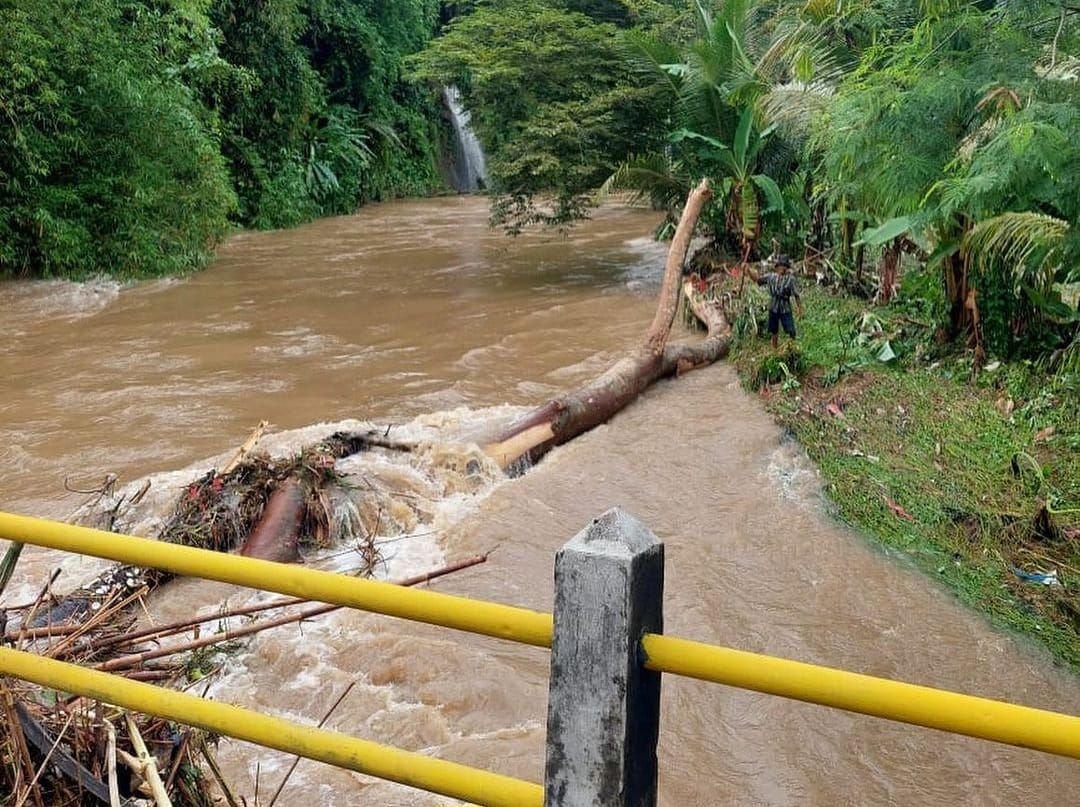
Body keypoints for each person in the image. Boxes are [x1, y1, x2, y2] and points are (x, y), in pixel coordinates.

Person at [745, 254, 803, 349]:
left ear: (787, 267)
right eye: (781, 265)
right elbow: (758, 280)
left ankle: (792, 348)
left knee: (790, 330)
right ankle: (774, 350)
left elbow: (797, 295)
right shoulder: (771, 277)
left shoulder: (791, 279)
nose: (782, 268)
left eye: (784, 266)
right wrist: (748, 271)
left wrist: (800, 310)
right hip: (774, 307)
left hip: (785, 307)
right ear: (777, 267)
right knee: (774, 330)